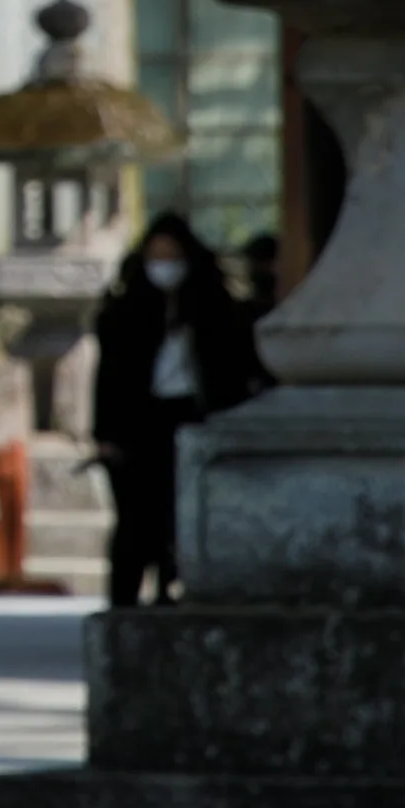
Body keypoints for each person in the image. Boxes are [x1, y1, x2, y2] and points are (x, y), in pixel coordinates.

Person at [90, 209, 261, 607]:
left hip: (192, 418)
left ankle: (172, 589)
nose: (164, 266)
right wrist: (105, 434)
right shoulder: (123, 313)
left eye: (172, 257)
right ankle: (124, 600)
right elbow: (108, 379)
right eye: (157, 257)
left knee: (181, 514)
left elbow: (232, 372)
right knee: (135, 517)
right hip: (138, 424)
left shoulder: (214, 311)